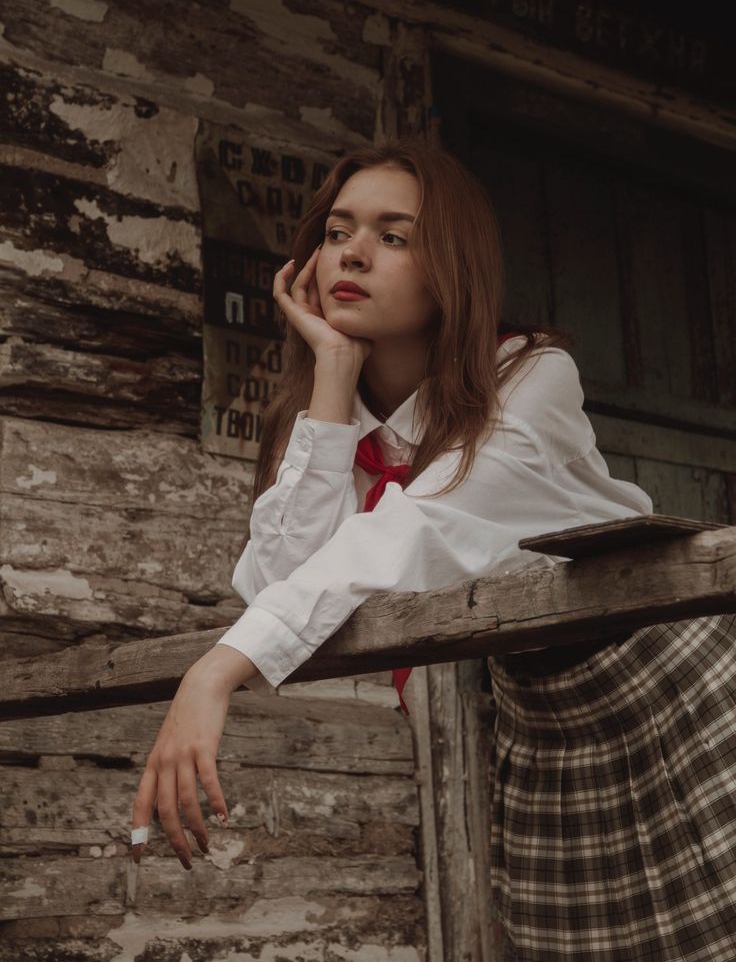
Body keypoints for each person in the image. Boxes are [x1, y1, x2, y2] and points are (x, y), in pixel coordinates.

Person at [130, 141, 736, 961]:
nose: (352, 251)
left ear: (452, 265)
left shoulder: (530, 377)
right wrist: (334, 375)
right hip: (551, 721)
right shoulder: (320, 422)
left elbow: (426, 523)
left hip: (673, 681)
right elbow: (281, 578)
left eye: (393, 235)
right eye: (339, 230)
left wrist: (214, 669)